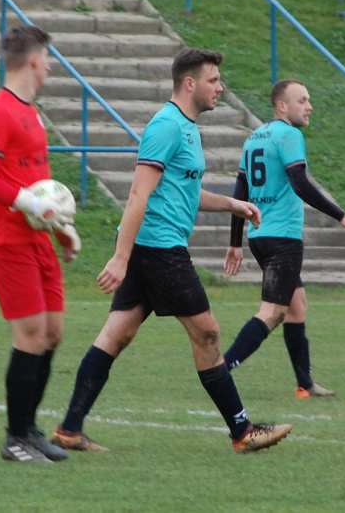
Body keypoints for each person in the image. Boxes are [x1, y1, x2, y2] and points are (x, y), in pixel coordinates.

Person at [50, 48, 293, 454]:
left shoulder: (186, 128)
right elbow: (138, 194)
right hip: (159, 250)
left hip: (155, 249)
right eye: (214, 80)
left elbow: (185, 192)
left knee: (116, 335)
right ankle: (243, 431)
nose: (221, 87)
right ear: (190, 83)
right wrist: (121, 256)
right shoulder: (166, 126)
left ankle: (70, 428)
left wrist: (233, 204)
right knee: (208, 333)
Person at [0, 25, 81, 464]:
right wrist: (31, 202)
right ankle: (16, 439)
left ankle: (31, 431)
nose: (52, 65)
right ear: (34, 60)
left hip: (37, 238)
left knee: (52, 334)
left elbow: (40, 187)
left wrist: (61, 228)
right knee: (31, 335)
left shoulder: (32, 113)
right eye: (49, 57)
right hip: (6, 238)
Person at [222, 79, 345, 400]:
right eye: (302, 100)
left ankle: (305, 384)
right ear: (281, 106)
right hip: (282, 237)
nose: (309, 106)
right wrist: (344, 217)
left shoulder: (255, 137)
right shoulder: (289, 135)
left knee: (296, 307)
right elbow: (300, 182)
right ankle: (221, 368)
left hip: (260, 235)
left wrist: (234, 242)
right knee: (271, 312)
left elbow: (240, 194)